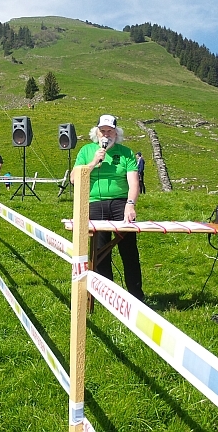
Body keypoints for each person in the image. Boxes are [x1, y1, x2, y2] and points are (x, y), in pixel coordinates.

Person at [71, 114, 144, 302]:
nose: (106, 135)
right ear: (96, 132)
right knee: (100, 251)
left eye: (110, 131)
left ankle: (136, 296)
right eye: (102, 131)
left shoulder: (126, 153)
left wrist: (130, 204)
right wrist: (94, 162)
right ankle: (107, 296)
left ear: (116, 133)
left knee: (129, 250)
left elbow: (134, 182)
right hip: (95, 203)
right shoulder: (86, 151)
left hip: (121, 203)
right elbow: (74, 179)